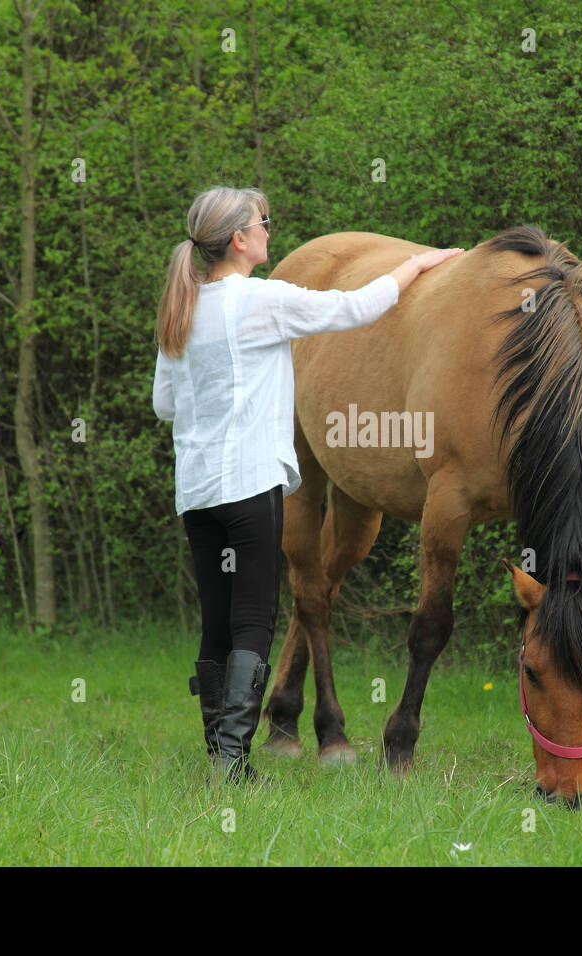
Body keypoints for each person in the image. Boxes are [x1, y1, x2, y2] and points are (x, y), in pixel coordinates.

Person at [152, 185, 463, 782]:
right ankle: (232, 763)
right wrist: (418, 263)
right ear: (238, 240)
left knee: (216, 622)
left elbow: (165, 404)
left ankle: (220, 750)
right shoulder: (263, 301)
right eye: (262, 222)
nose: (271, 229)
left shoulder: (180, 309)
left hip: (195, 493)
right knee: (252, 621)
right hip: (250, 484)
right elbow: (354, 309)